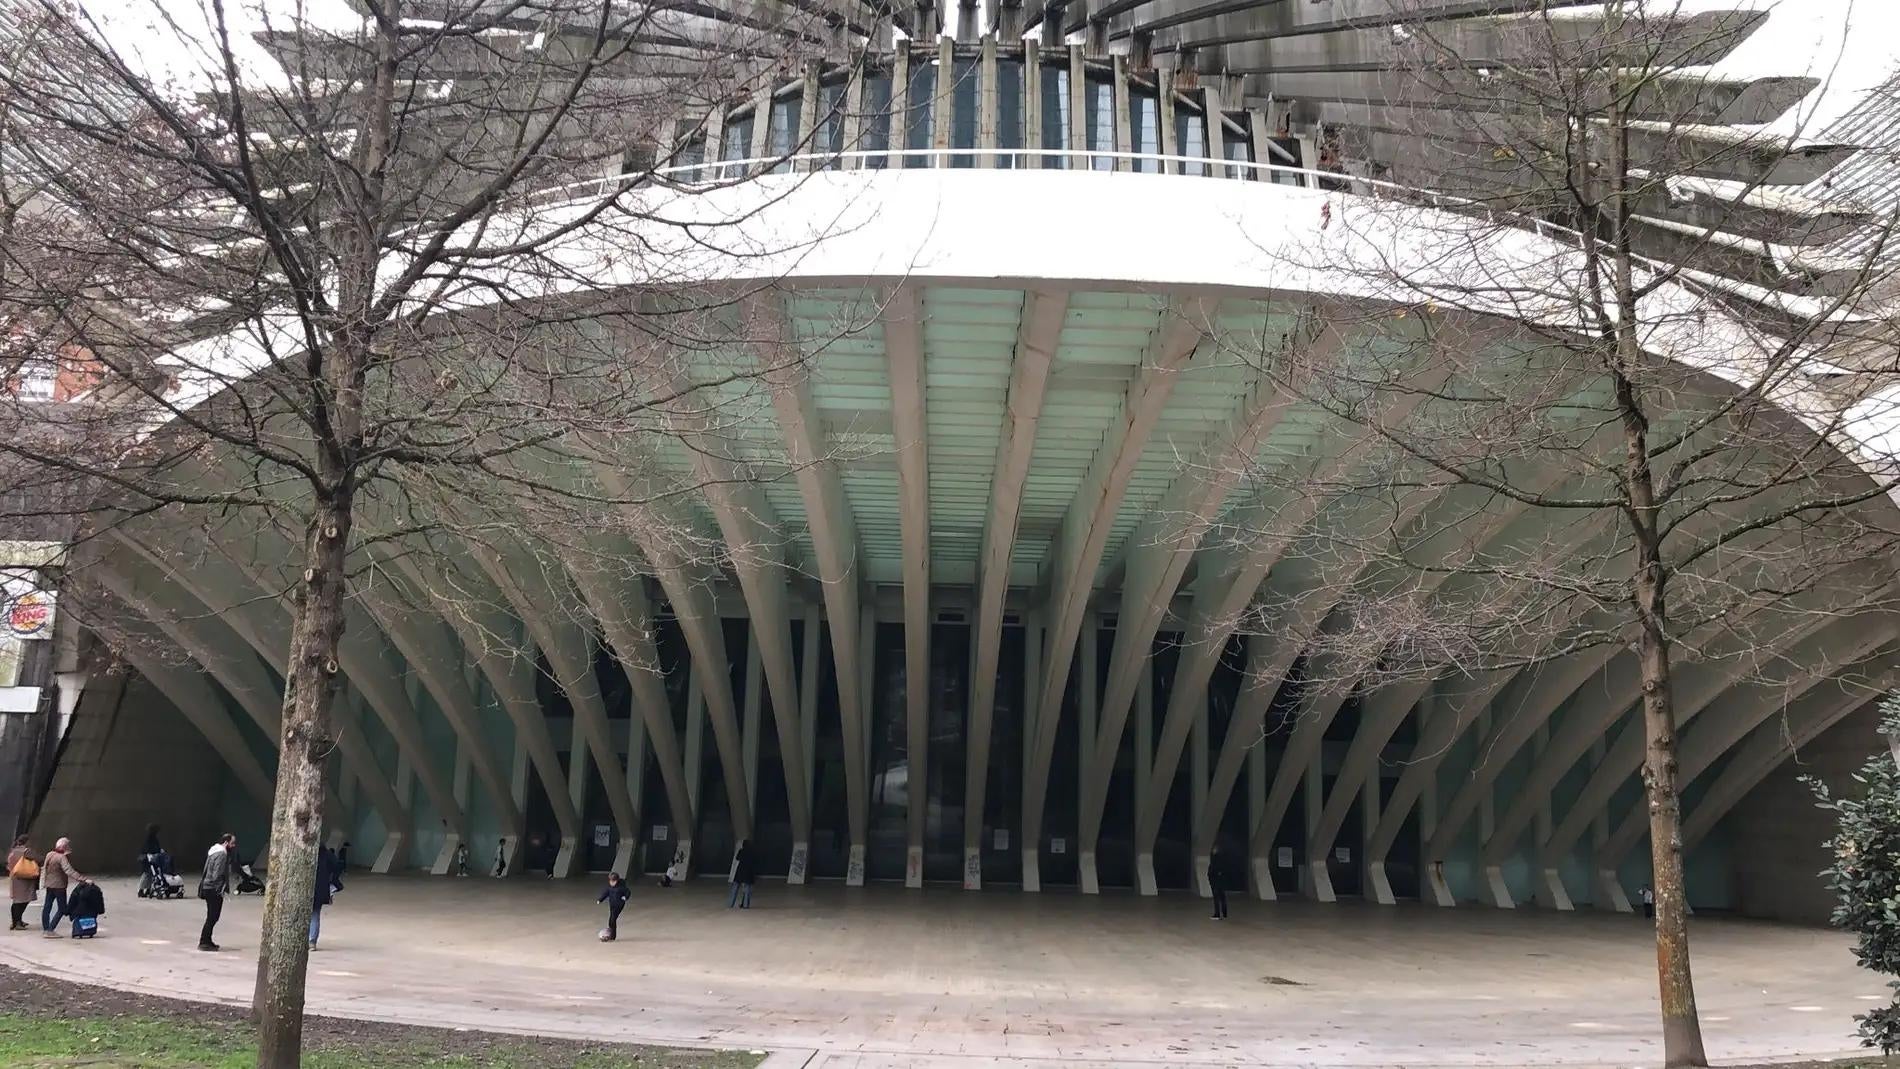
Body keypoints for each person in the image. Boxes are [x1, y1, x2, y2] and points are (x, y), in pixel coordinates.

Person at [39, 838, 84, 937]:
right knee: (62, 909)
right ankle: (50, 930)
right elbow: (69, 870)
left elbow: (45, 868)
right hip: (59, 886)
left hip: (49, 885)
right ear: (65, 847)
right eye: (68, 846)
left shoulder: (49, 854)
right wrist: (83, 879)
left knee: (47, 906)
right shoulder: (61, 858)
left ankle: (46, 929)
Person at [198, 833, 236, 951]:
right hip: (213, 889)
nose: (233, 846)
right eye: (232, 843)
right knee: (213, 916)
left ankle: (207, 941)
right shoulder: (222, 854)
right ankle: (204, 942)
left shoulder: (213, 852)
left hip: (208, 887)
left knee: (212, 916)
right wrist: (220, 889)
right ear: (226, 842)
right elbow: (217, 874)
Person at [7, 835, 38, 931]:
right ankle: (17, 922)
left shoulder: (13, 851)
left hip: (15, 878)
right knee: (23, 901)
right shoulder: (26, 851)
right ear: (26, 842)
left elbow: (8, 865)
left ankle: (16, 921)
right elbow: (40, 859)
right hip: (25, 879)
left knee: (16, 901)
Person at [309, 844, 336, 949]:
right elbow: (336, 866)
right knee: (315, 914)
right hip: (320, 888)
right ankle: (312, 941)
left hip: (305, 887)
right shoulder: (326, 854)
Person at [597, 871, 630, 941]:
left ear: (617, 881)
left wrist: (625, 897)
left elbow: (628, 892)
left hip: (619, 905)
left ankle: (612, 935)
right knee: (611, 920)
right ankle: (611, 933)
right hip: (612, 904)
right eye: (610, 881)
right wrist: (600, 900)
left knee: (612, 919)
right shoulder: (609, 888)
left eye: (613, 881)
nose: (612, 883)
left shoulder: (621, 887)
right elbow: (605, 894)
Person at [1207, 845, 1233, 921]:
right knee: (1222, 897)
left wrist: (1210, 877)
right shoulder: (1223, 860)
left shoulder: (1215, 860)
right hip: (1221, 881)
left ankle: (1217, 914)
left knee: (1216, 898)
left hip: (1216, 881)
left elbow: (1212, 870)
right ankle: (1224, 913)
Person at [727, 840, 755, 910]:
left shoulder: (741, 851)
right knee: (747, 889)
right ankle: (745, 905)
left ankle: (731, 904)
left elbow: (737, 858)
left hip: (740, 871)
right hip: (748, 872)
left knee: (735, 888)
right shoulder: (752, 852)